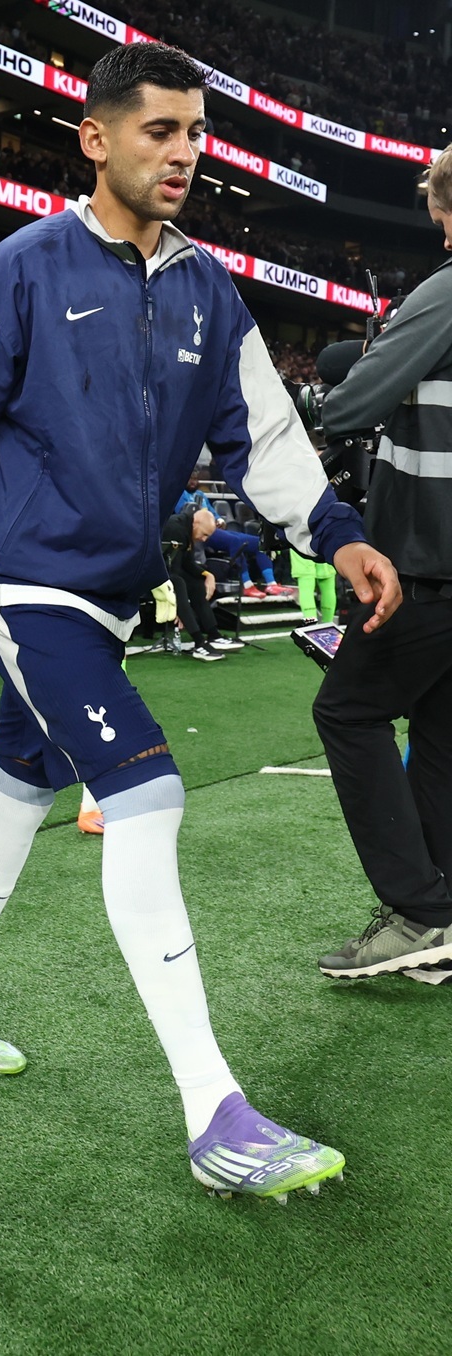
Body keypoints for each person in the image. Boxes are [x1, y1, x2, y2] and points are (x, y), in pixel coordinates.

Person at [0, 41, 400, 1201]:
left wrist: (336, 531)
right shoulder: (19, 270)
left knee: (18, 787)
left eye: (195, 133)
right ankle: (215, 1109)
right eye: (160, 132)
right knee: (147, 794)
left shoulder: (207, 288)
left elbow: (265, 437)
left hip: (106, 595)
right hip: (21, 579)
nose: (185, 154)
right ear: (95, 138)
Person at [312, 142, 452, 979]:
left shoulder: (444, 292)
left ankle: (420, 909)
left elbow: (348, 405)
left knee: (348, 714)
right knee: (440, 736)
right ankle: (441, 920)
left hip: (431, 562)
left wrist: (366, 370)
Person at [174, 472, 289, 598]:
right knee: (235, 541)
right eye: (190, 479)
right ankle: (247, 585)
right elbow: (184, 513)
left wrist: (219, 520)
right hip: (200, 532)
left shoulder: (201, 495)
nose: (193, 482)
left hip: (215, 529)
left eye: (195, 479)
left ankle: (271, 584)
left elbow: (212, 512)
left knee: (259, 541)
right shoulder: (180, 494)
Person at [162, 507, 245, 659]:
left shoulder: (187, 529)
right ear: (197, 523)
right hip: (148, 573)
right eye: (205, 534)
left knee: (197, 582)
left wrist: (207, 575)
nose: (204, 539)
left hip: (169, 571)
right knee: (179, 582)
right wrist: (179, 605)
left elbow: (187, 563)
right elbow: (172, 569)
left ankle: (213, 634)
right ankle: (199, 643)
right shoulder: (175, 527)